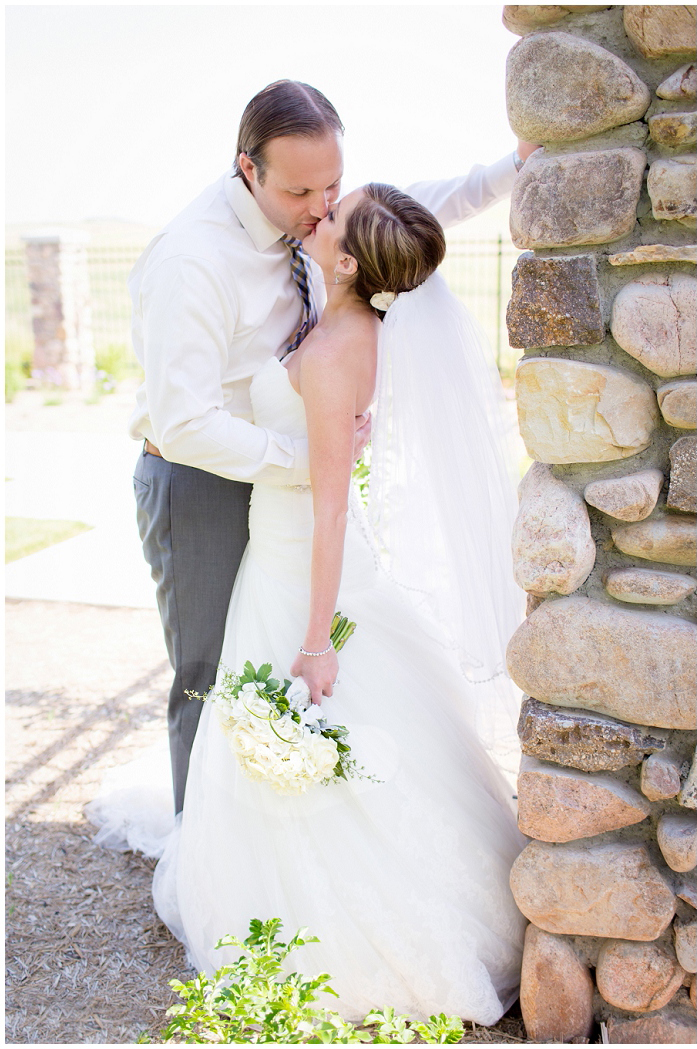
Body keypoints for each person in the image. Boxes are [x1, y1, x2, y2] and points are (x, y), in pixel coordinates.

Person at [106, 183, 531, 1023]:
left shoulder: (341, 346)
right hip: (280, 547)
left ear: (345, 260)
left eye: (333, 214)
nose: (319, 213)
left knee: (312, 726)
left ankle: (344, 923)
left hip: (300, 565)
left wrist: (314, 639)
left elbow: (332, 504)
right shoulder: (339, 319)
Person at [128, 79, 535, 813]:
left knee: (277, 654)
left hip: (295, 485)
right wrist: (314, 462)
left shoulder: (325, 225)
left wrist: (513, 168)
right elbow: (183, 421)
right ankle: (203, 840)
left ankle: (288, 825)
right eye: (301, 192)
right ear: (248, 169)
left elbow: (411, 211)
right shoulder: (193, 260)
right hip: (201, 479)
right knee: (207, 670)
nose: (320, 207)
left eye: (334, 185)